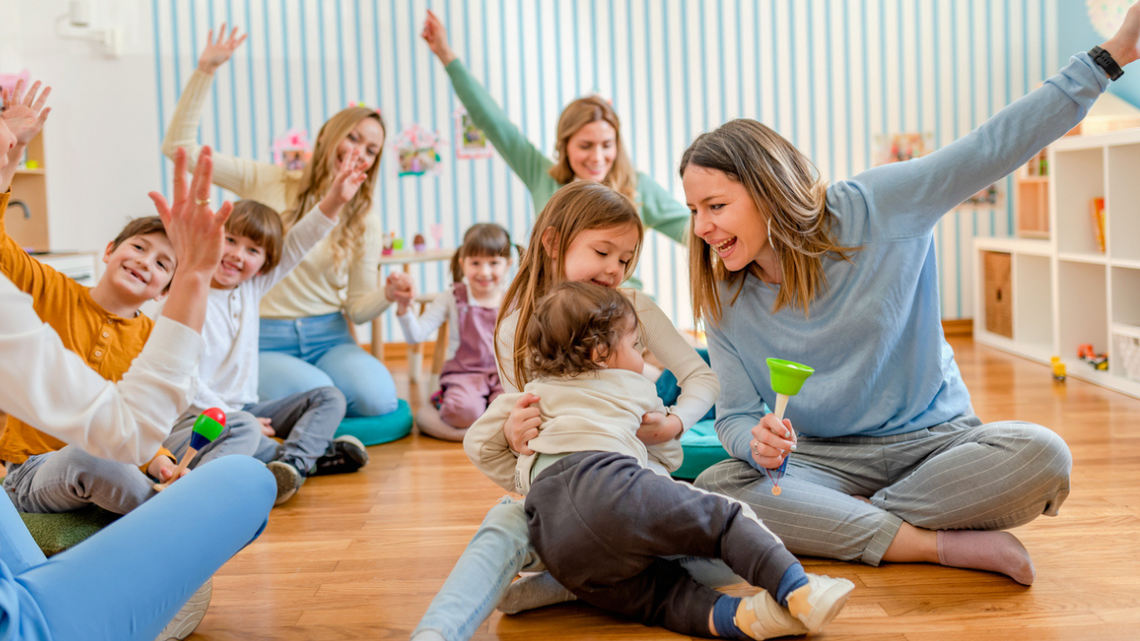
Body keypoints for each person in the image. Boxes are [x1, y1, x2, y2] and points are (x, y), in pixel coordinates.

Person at [684, 6, 1140, 587]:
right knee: (718, 487)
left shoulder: (878, 205)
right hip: (820, 460)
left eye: (715, 207)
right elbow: (737, 416)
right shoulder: (721, 291)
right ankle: (930, 544)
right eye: (695, 210)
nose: (700, 227)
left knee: (1045, 455)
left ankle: (849, 525)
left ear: (769, 193)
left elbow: (992, 147)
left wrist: (1111, 55)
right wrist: (754, 442)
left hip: (934, 446)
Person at [0, 80, 275, 641]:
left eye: (163, 265)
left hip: (120, 448)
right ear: (108, 251)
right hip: (37, 471)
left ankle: (173, 497)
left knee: (238, 425)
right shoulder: (46, 289)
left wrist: (160, 461)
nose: (146, 264)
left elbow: (137, 424)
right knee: (96, 461)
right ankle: (171, 518)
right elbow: (114, 434)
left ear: (164, 290)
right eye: (138, 249)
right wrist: (8, 164)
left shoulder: (154, 333)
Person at [411, 181, 721, 641]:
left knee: (721, 536)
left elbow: (703, 377)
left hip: (628, 493)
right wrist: (516, 438)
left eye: (625, 259)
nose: (615, 269)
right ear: (554, 243)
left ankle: (568, 583)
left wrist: (675, 422)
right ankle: (435, 633)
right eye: (603, 252)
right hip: (557, 500)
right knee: (502, 525)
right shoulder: (515, 324)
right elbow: (525, 426)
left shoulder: (634, 310)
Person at [466, 281, 853, 639]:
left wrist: (524, 477)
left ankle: (746, 618)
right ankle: (798, 591)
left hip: (556, 535)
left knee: (658, 599)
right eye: (635, 346)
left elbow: (477, 444)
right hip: (613, 490)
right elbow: (668, 459)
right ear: (601, 354)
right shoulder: (635, 387)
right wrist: (664, 428)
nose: (640, 356)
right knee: (724, 520)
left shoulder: (531, 393)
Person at [162, 24, 402, 419]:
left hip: (329, 336)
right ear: (328, 136)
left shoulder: (364, 219)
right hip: (265, 336)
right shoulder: (264, 179)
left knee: (378, 399)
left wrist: (389, 295)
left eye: (372, 149)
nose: (360, 152)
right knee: (322, 397)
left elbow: (358, 309)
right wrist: (205, 70)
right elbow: (179, 149)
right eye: (354, 138)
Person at [161, 150, 371, 506]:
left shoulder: (251, 286)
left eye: (253, 249)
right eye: (230, 240)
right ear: (212, 235)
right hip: (200, 420)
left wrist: (335, 199)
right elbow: (184, 380)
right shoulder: (186, 294)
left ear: (264, 263)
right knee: (245, 436)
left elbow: (300, 243)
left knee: (328, 396)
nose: (238, 255)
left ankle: (290, 464)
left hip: (247, 410)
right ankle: (308, 455)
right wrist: (235, 418)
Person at [421, 10, 689, 247]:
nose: (597, 157)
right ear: (565, 146)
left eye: (607, 145)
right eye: (585, 146)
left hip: (619, 301)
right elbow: (494, 123)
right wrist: (446, 54)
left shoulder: (638, 187)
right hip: (556, 302)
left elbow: (694, 232)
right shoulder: (543, 176)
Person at [389, 223, 518, 441]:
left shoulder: (515, 298)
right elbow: (416, 335)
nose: (484, 272)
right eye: (475, 263)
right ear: (462, 263)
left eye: (494, 263)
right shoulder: (452, 296)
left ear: (508, 264)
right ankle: (447, 400)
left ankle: (485, 408)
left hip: (503, 375)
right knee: (461, 413)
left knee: (510, 412)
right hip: (464, 374)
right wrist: (404, 308)